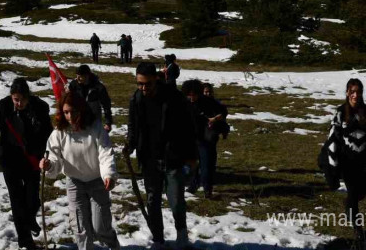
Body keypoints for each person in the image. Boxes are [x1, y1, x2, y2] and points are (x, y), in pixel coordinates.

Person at [124, 62, 198, 249]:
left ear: (156, 79)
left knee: (175, 198)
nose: (143, 88)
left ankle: (181, 234)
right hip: (148, 157)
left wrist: (191, 156)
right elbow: (133, 126)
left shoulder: (174, 98)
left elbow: (188, 128)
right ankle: (158, 239)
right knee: (152, 199)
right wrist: (131, 144)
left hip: (172, 156)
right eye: (139, 84)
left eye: (147, 84)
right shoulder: (136, 99)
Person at [0, 78, 53, 250]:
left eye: (21, 99)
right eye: (15, 99)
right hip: (10, 159)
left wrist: (46, 154)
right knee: (17, 200)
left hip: (32, 159)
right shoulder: (4, 107)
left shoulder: (39, 108)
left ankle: (29, 219)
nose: (18, 103)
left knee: (32, 199)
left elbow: (48, 133)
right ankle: (26, 242)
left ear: (28, 97)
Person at [41, 91, 120, 250]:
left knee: (100, 227)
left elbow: (105, 153)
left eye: (73, 111)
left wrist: (109, 175)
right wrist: (49, 165)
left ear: (82, 110)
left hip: (98, 181)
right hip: (74, 182)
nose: (70, 116)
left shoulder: (96, 127)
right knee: (80, 227)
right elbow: (55, 158)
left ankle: (113, 245)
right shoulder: (60, 132)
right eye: (66, 112)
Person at [319, 78, 366, 250]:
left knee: (361, 194)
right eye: (352, 92)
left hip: (361, 161)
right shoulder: (340, 112)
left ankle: (349, 208)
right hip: (346, 161)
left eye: (358, 92)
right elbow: (332, 139)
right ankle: (358, 232)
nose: (355, 95)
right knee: (353, 195)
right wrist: (333, 165)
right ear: (347, 93)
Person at [182, 80, 228, 199]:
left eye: (194, 95)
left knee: (207, 165)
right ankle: (194, 186)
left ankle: (207, 190)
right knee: (195, 165)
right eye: (189, 95)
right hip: (190, 139)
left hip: (206, 138)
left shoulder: (207, 101)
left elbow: (224, 111)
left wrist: (214, 119)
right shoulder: (184, 103)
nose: (192, 98)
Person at [68, 65, 114, 132]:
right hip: (77, 120)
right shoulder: (74, 85)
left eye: (80, 76)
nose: (77, 78)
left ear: (87, 76)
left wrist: (108, 123)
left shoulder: (98, 88)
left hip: (94, 120)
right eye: (77, 76)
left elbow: (106, 105)